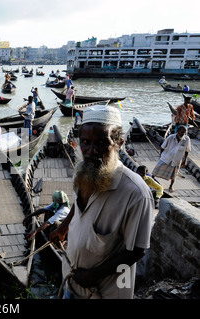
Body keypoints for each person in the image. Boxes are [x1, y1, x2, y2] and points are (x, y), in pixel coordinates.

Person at [49, 105, 153, 299]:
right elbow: (79, 205)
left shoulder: (136, 193)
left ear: (119, 143)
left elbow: (137, 251)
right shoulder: (83, 171)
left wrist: (92, 275)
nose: (91, 150)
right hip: (71, 280)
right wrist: (63, 227)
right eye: (86, 142)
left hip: (103, 292)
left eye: (101, 143)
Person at [152, 125, 191, 193]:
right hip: (166, 157)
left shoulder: (186, 139)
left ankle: (170, 186)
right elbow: (162, 147)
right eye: (182, 132)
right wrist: (161, 155)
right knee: (156, 170)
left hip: (177, 159)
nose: (183, 134)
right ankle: (151, 181)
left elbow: (187, 150)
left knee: (174, 175)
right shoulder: (170, 137)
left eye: (184, 132)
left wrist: (185, 160)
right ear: (177, 131)